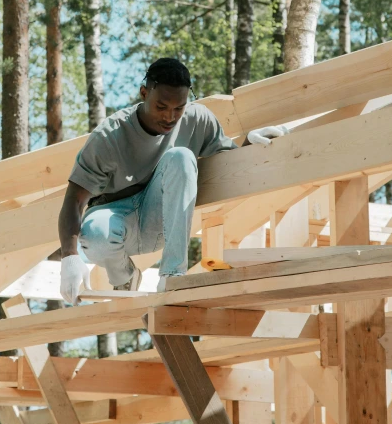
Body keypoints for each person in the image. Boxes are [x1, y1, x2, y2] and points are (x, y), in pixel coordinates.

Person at [59, 57, 288, 304]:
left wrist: (248, 144)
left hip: (160, 218)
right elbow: (74, 200)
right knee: (94, 234)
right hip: (116, 219)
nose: (170, 117)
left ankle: (172, 276)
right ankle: (124, 277)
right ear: (144, 93)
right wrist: (70, 257)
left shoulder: (198, 119)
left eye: (178, 108)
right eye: (161, 106)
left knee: (181, 156)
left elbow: (227, 163)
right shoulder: (109, 136)